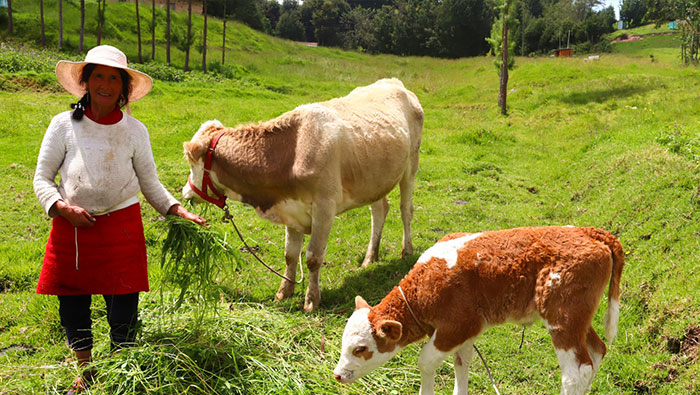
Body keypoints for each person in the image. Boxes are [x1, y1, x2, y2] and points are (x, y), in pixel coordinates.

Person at [33, 45, 205, 394]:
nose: (106, 83)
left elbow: (149, 182)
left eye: (114, 77)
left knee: (123, 308)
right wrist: (62, 207)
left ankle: (118, 367)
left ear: (124, 88)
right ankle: (86, 369)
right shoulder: (63, 125)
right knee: (73, 303)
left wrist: (176, 209)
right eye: (99, 75)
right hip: (72, 230)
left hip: (121, 229)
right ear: (86, 81)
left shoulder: (135, 131)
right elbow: (41, 178)